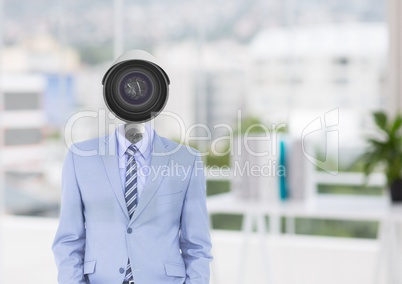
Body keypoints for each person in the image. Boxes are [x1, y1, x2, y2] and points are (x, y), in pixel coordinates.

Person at [52, 50, 213, 284]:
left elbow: (197, 246)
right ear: (113, 93)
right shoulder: (79, 158)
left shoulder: (186, 160)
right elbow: (68, 241)